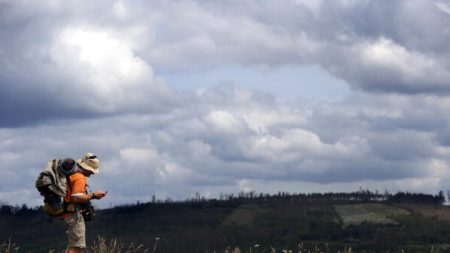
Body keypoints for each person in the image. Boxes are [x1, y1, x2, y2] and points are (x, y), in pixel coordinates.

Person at [61, 153, 107, 253]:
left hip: (68, 213)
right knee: (77, 247)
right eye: (91, 170)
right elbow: (76, 198)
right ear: (86, 167)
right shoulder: (80, 177)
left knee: (75, 246)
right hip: (74, 214)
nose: (92, 173)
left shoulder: (72, 174)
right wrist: (94, 195)